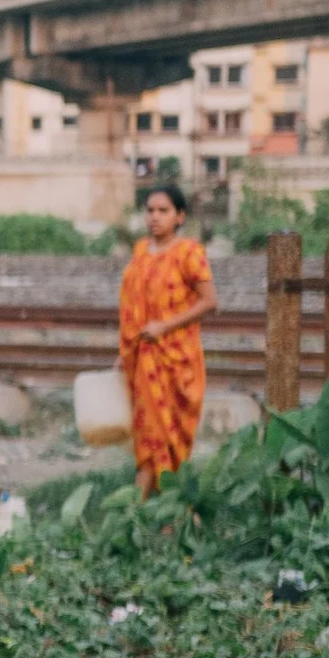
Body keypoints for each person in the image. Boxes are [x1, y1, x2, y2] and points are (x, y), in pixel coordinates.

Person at [118, 182, 219, 495]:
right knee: (150, 434)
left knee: (168, 437)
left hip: (177, 360)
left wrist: (165, 326)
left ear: (179, 216)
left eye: (164, 211)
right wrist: (126, 351)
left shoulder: (189, 253)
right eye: (150, 210)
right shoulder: (139, 253)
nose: (155, 217)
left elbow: (209, 302)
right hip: (144, 359)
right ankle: (161, 510)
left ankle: (151, 509)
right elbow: (133, 307)